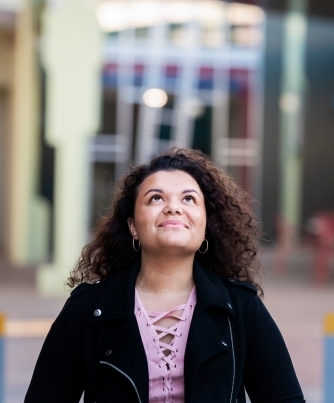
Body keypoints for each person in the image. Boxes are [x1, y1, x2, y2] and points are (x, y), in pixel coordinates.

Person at [25, 148, 305, 403]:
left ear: (206, 225)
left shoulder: (242, 308)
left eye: (189, 199)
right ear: (133, 226)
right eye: (156, 198)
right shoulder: (85, 309)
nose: (173, 207)